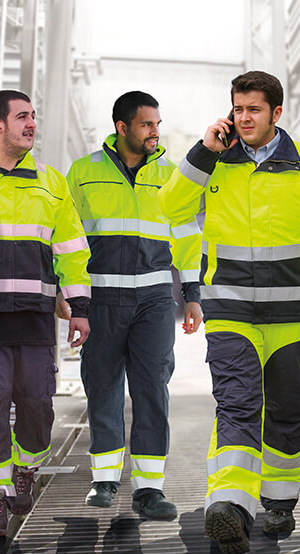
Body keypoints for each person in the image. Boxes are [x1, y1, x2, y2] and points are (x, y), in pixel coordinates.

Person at [160, 71, 300, 554]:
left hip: (291, 316)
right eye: (237, 108)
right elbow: (169, 207)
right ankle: (229, 504)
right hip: (230, 310)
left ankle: (278, 502)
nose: (243, 117)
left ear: (276, 113)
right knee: (236, 402)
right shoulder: (214, 162)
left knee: (286, 409)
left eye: (254, 109)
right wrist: (202, 152)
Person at [0, 90, 91, 537]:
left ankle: (26, 469)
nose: (31, 123)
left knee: (37, 407)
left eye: (33, 115)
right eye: (22, 117)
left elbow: (72, 249)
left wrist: (79, 307)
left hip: (34, 317)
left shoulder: (52, 182)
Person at [66, 91, 202, 521]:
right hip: (102, 297)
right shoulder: (83, 172)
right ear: (122, 127)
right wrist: (68, 296)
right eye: (147, 125)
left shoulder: (171, 175)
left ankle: (149, 490)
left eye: (158, 124)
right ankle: (104, 481)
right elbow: (67, 238)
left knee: (152, 390)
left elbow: (187, 236)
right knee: (102, 386)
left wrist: (194, 296)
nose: (155, 133)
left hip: (155, 301)